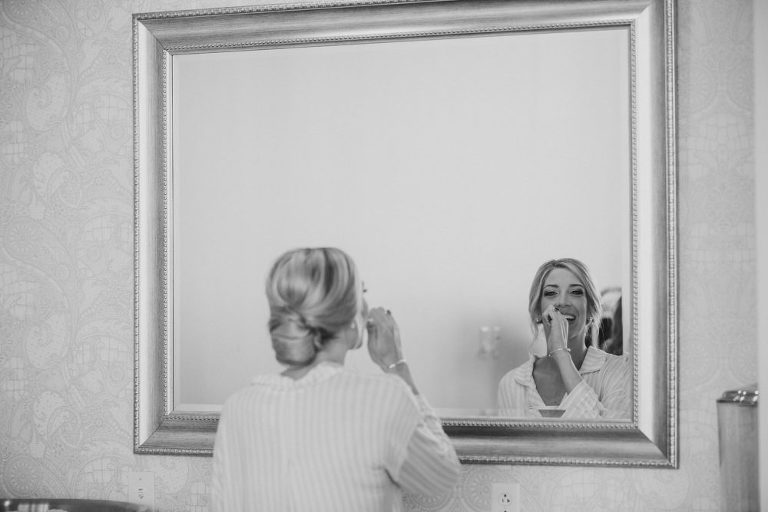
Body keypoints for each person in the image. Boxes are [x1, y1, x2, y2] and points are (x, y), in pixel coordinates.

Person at [211, 247, 460, 511]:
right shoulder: (381, 399)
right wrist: (397, 366)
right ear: (352, 316)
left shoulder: (237, 407)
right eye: (361, 293)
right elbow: (441, 476)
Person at [497, 258, 630, 419]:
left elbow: (608, 439)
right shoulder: (513, 383)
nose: (562, 302)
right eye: (551, 293)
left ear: (591, 309)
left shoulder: (620, 371)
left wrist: (561, 354)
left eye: (575, 292)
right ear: (538, 310)